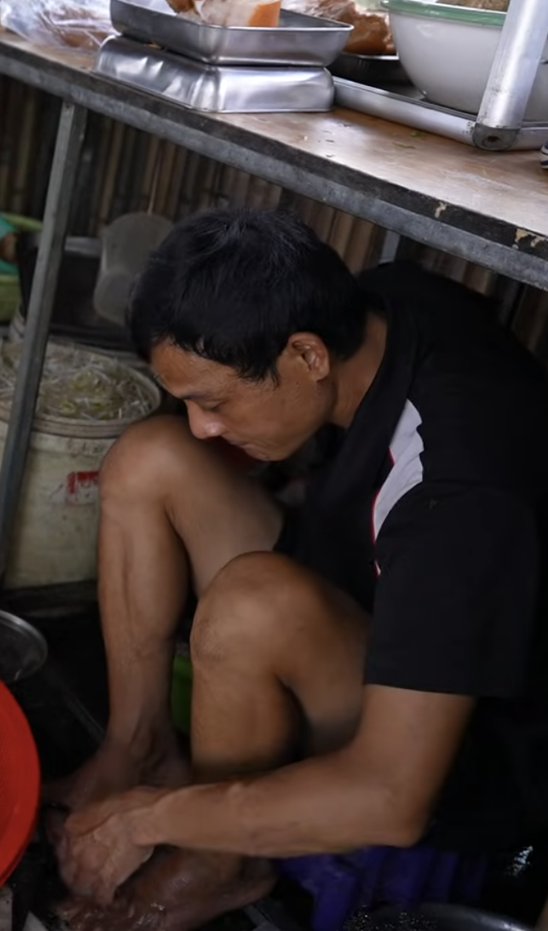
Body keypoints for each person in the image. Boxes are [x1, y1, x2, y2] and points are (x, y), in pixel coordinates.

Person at [51, 208, 548, 931]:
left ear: (308, 356)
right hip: (369, 596)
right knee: (148, 458)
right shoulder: (381, 305)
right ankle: (139, 746)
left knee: (249, 607)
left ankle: (222, 863)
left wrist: (150, 823)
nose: (204, 427)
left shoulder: (461, 494)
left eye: (215, 402)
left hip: (462, 749)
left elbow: (392, 797)